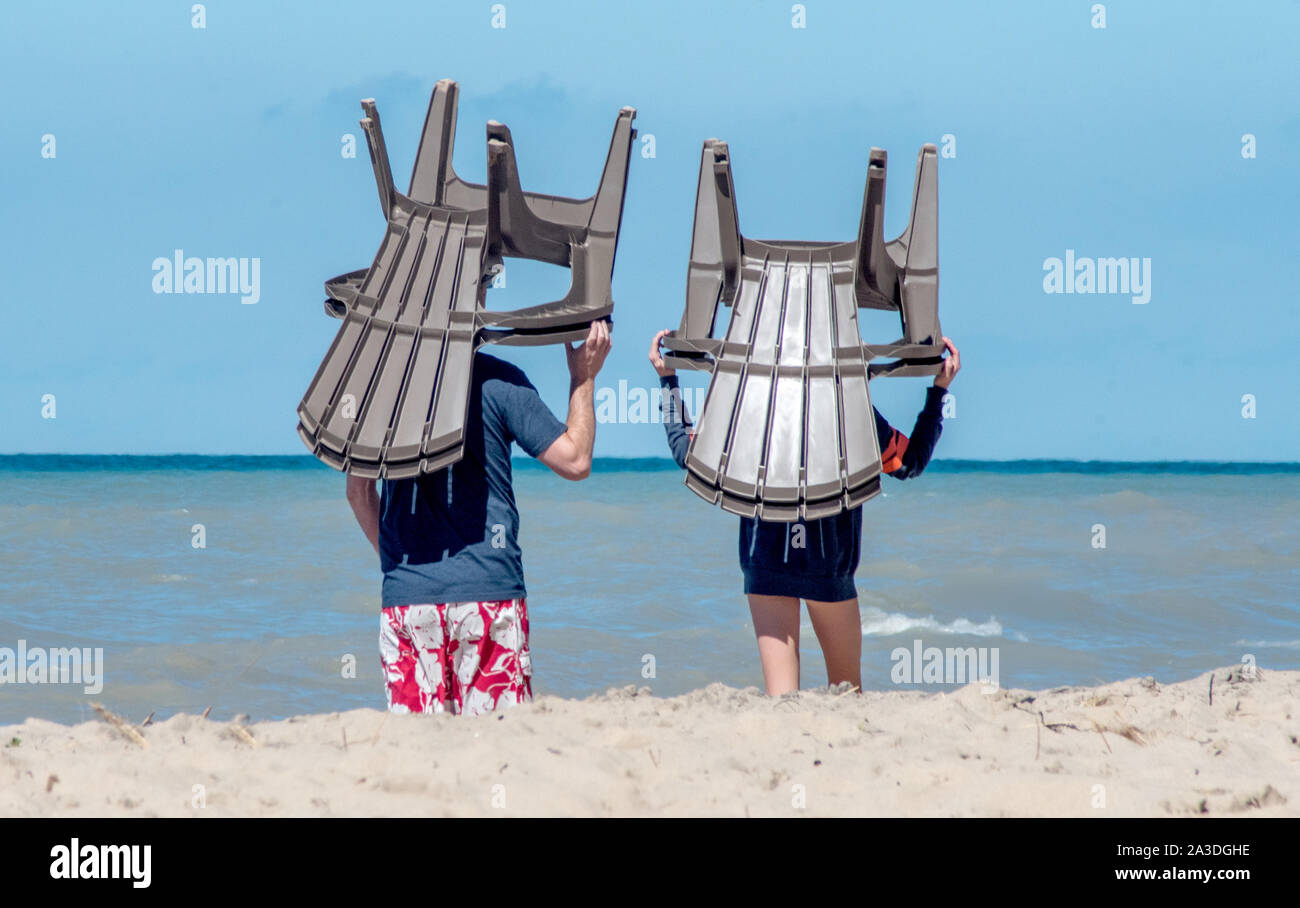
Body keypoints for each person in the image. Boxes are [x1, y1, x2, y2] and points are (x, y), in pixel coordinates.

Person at [649, 329, 960, 696]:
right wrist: (939, 391)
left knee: (782, 700)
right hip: (827, 560)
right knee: (846, 694)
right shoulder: (848, 405)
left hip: (765, 559)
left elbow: (688, 455)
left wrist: (668, 381)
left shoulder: (744, 406)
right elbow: (909, 463)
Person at [347, 320, 612, 716]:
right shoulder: (499, 380)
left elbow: (358, 492)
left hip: (408, 603)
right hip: (488, 595)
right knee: (498, 747)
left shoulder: (382, 390)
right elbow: (575, 461)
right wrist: (583, 378)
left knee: (419, 756)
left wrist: (396, 563)